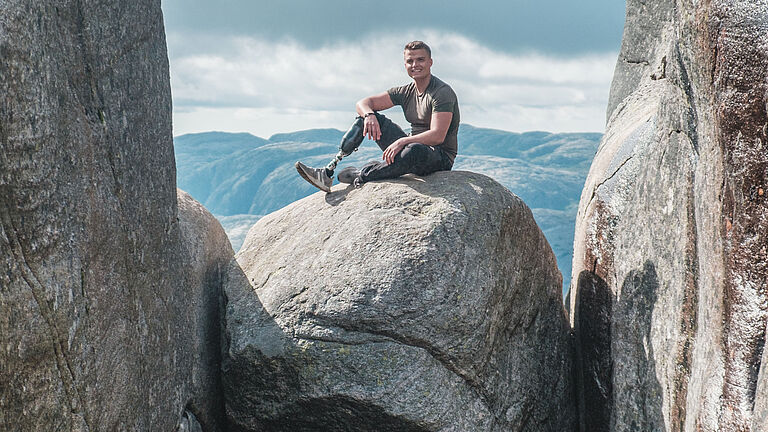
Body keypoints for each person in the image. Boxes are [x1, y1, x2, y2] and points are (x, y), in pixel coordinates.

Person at [295, 40, 460, 192]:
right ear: (405, 64)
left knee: (414, 150)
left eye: (420, 60)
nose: (415, 65)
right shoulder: (406, 91)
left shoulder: (441, 92)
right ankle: (328, 171)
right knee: (367, 119)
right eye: (410, 61)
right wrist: (369, 115)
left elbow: (437, 136)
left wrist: (402, 141)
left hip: (438, 157)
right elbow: (363, 103)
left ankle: (362, 174)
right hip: (410, 147)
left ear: (430, 62)